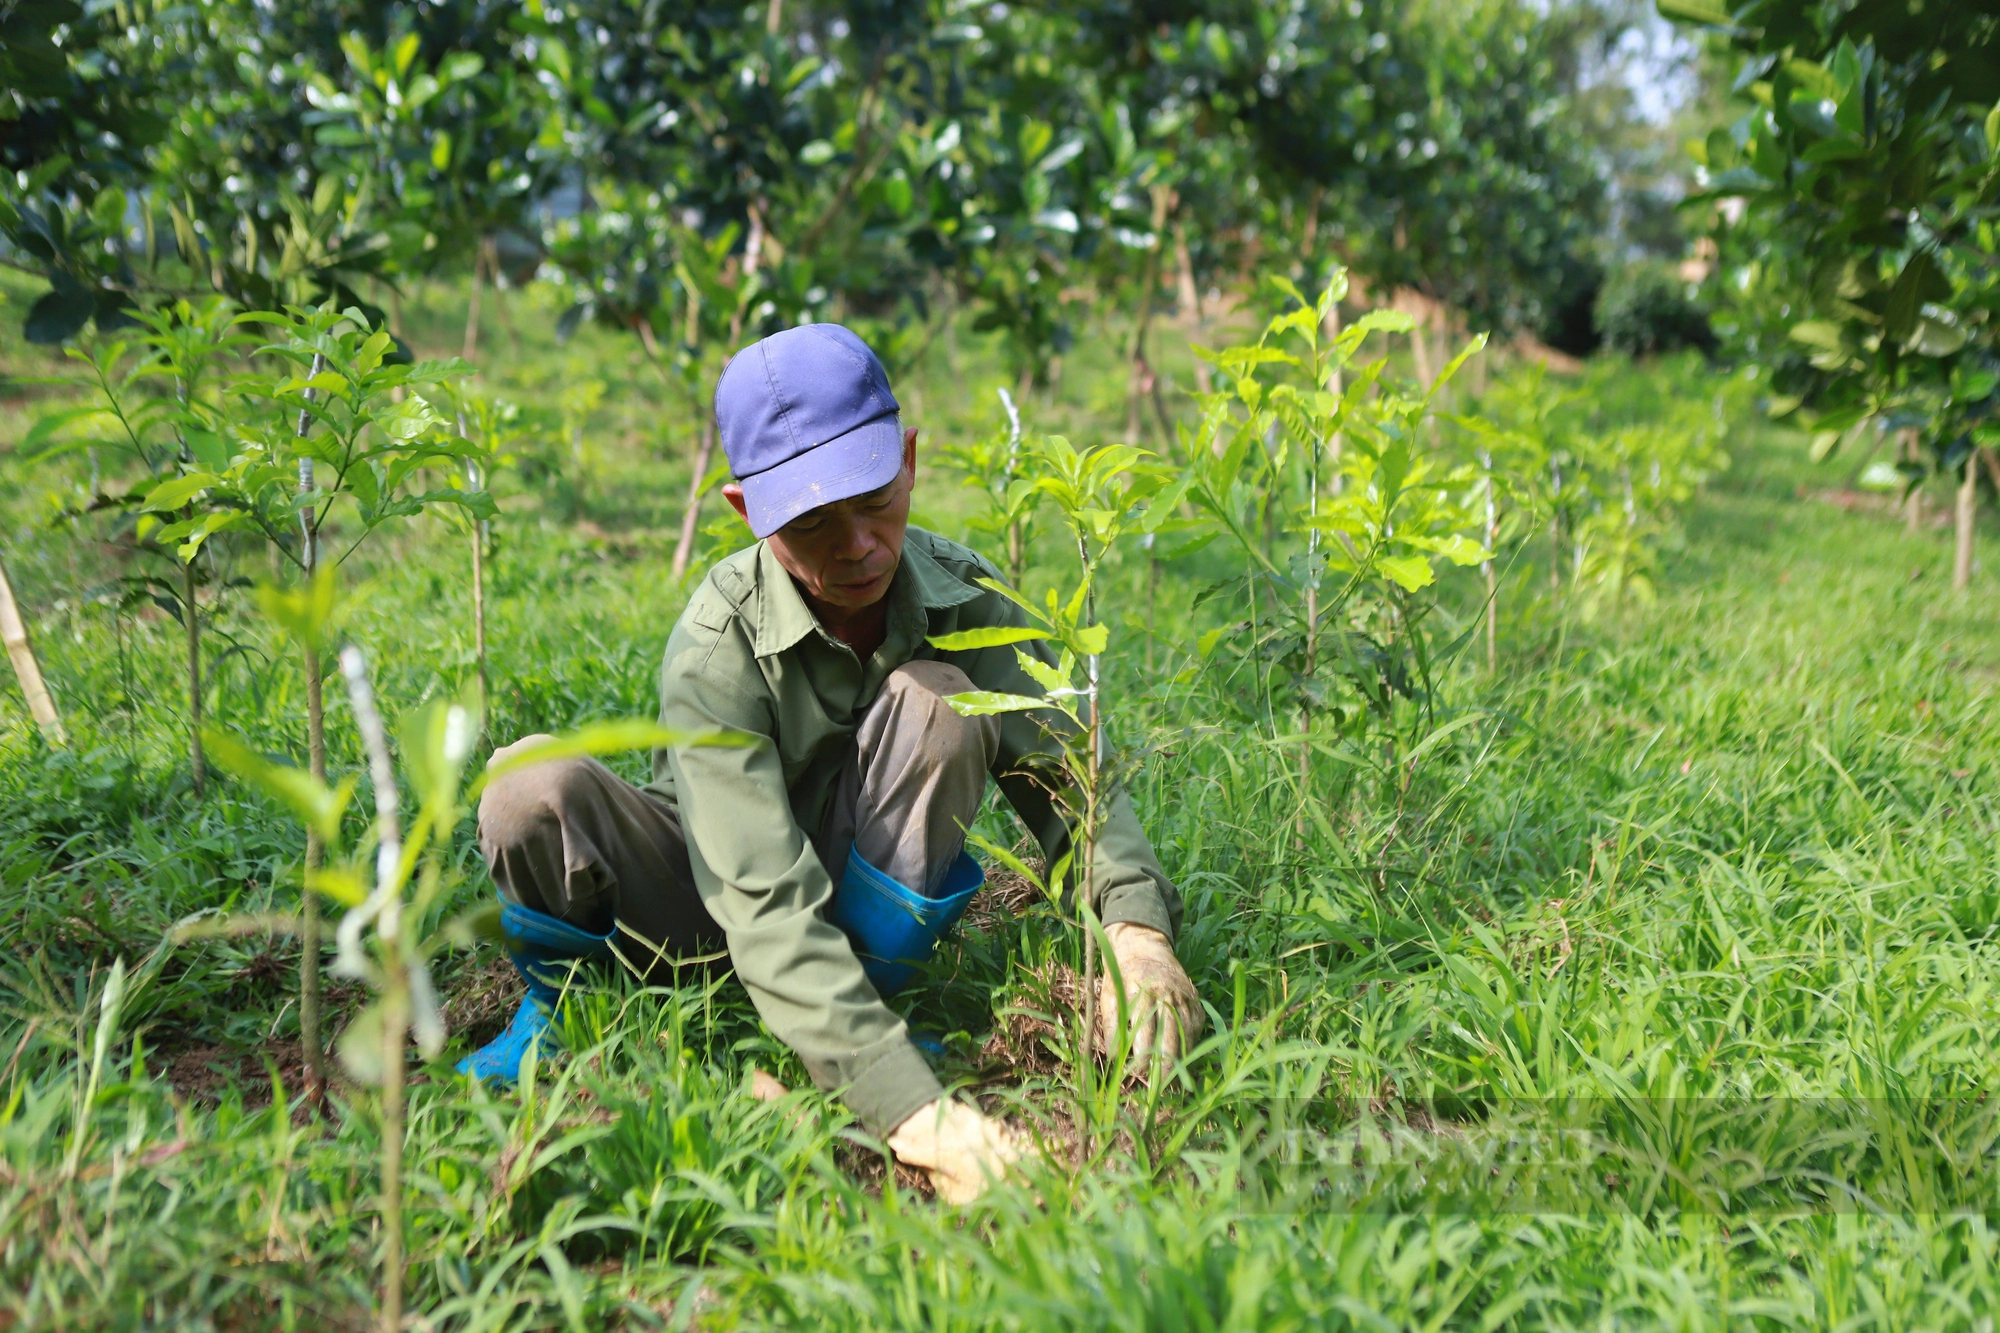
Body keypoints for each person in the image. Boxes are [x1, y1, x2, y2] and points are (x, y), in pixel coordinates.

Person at [461, 323, 1202, 1202]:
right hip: (697, 909)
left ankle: (870, 1008)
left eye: (875, 500)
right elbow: (762, 903)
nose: (856, 545)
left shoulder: (969, 599)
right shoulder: (716, 645)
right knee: (526, 787)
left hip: (855, 898)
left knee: (942, 702)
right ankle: (565, 1009)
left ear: (912, 462)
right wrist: (917, 1117)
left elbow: (1077, 789)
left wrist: (1137, 932)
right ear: (748, 515)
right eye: (810, 522)